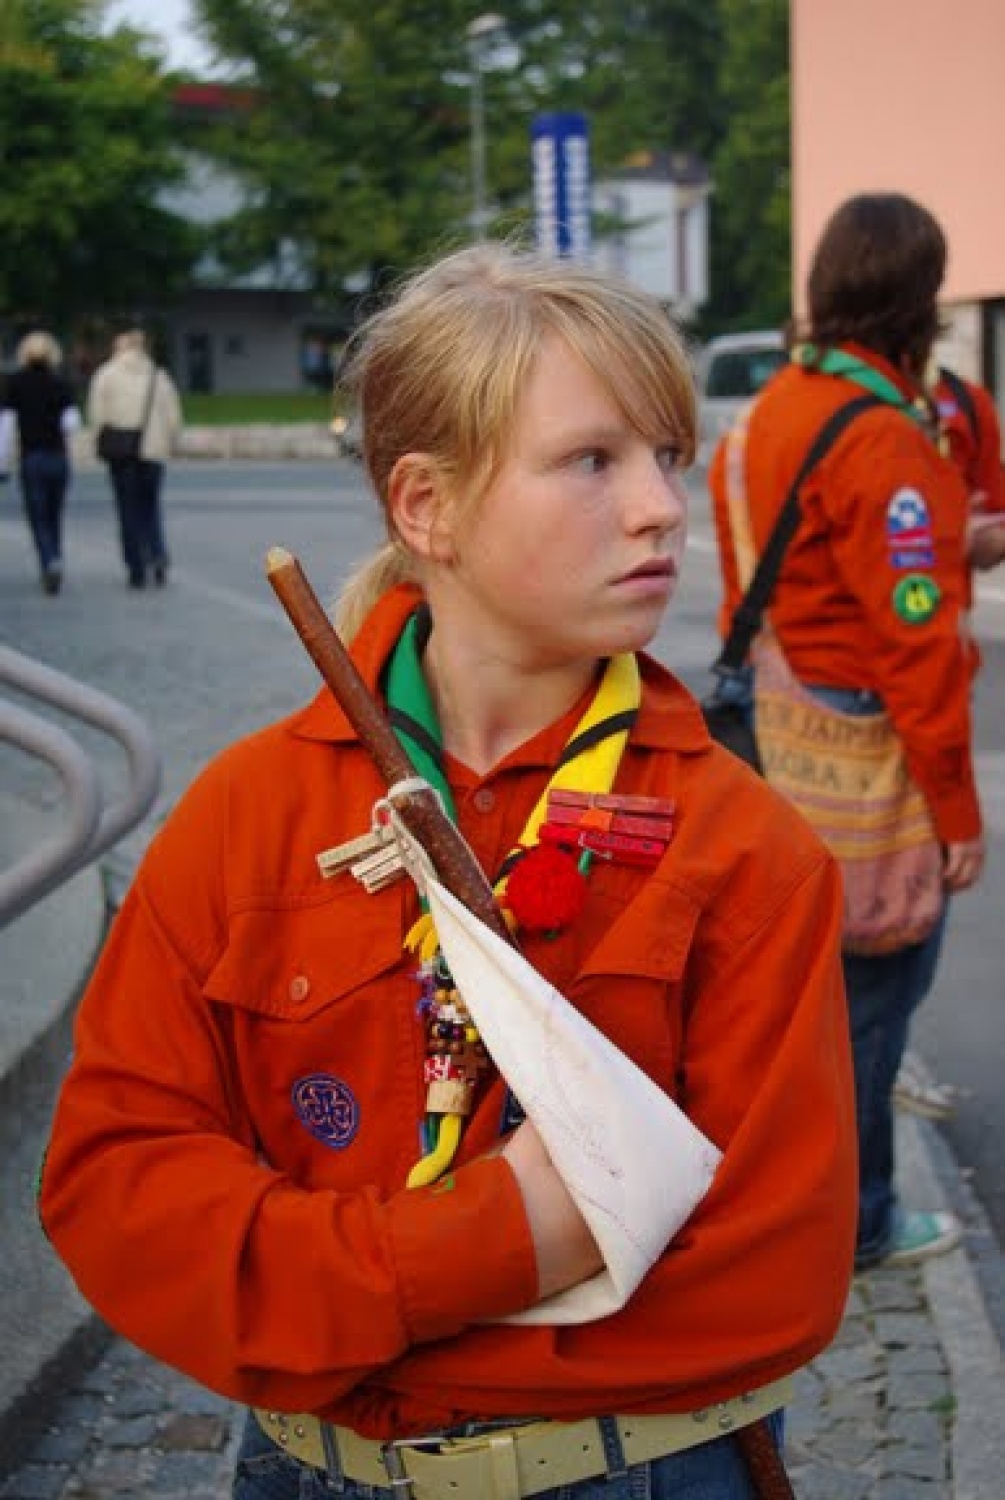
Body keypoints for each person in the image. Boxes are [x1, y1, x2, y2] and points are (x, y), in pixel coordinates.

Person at [40, 243, 856, 1500]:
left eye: (666, 458)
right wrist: (493, 1245)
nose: (659, 509)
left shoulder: (743, 846)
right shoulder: (247, 817)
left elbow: (770, 1283)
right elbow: (116, 1187)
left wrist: (317, 1317)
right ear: (426, 506)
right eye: (593, 460)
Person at [708, 192, 984, 1271]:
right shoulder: (886, 440)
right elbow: (916, 648)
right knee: (879, 988)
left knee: (801, 987)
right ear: (917, 296)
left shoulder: (774, 406)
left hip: (773, 718)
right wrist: (957, 813)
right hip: (860, 740)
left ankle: (797, 1193)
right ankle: (860, 1218)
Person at [87, 328, 183, 589]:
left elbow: (97, 416)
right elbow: (173, 417)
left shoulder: (106, 375)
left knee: (127, 511)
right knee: (150, 508)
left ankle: (136, 568)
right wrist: (171, 443)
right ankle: (157, 553)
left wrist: (98, 443)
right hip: (153, 453)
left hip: (121, 454)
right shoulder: (159, 376)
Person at [0, 331, 81, 595]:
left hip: (32, 457)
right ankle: (56, 556)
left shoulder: (16, 384)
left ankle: (48, 560)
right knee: (55, 514)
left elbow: (7, 426)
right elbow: (72, 423)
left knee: (37, 516)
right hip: (57, 457)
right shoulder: (62, 383)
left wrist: (2, 463)